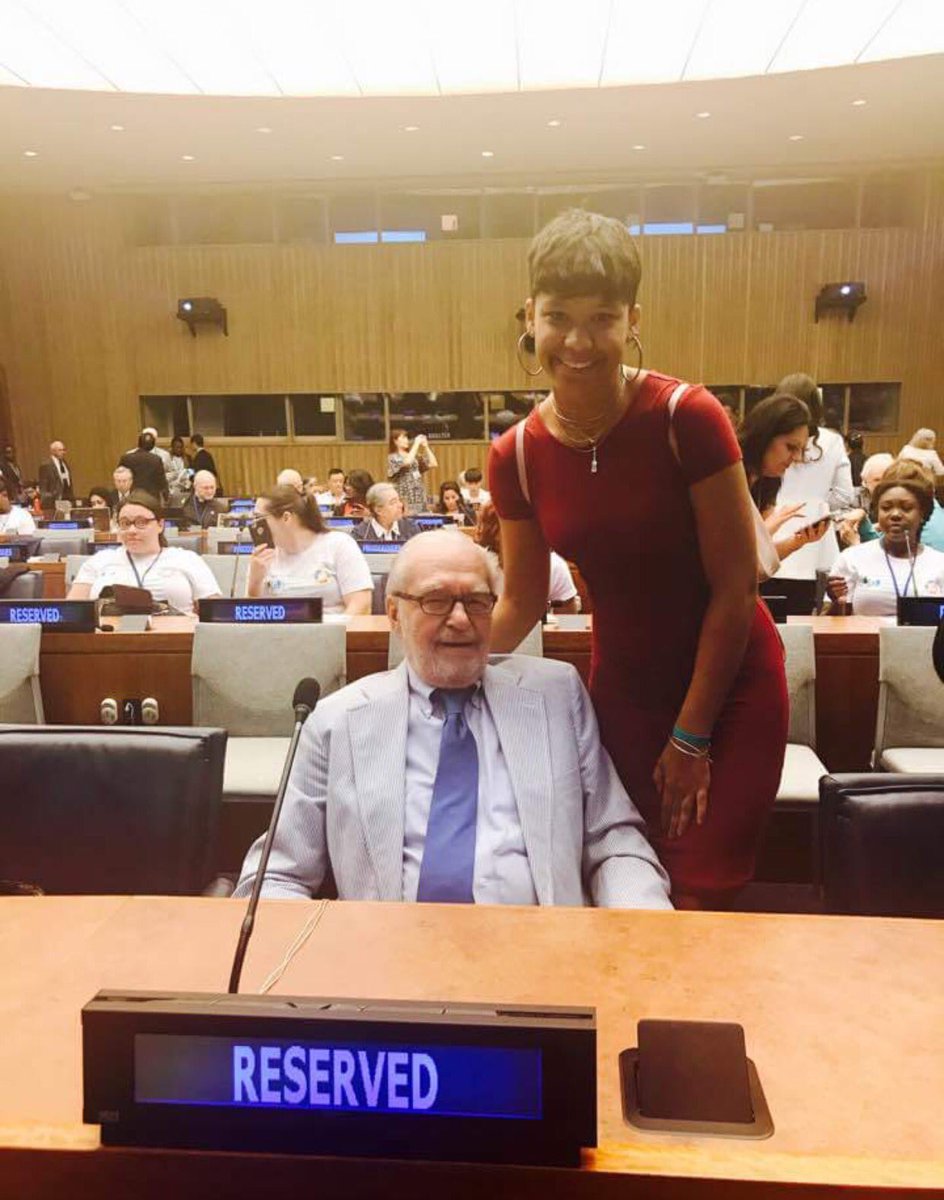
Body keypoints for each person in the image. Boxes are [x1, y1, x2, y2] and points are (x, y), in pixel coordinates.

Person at [488, 208, 787, 909]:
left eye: (603, 317)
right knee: (623, 879)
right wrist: (433, 674)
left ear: (633, 319)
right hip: (621, 694)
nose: (579, 341)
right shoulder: (518, 455)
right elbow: (523, 602)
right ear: (530, 315)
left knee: (700, 890)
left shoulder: (688, 417)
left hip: (729, 683)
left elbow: (736, 589)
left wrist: (692, 736)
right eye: (559, 315)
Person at [233, 531, 671, 907]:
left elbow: (612, 840)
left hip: (543, 962)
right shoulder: (337, 721)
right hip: (385, 976)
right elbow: (277, 877)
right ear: (394, 615)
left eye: (477, 601)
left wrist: (642, 929)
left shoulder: (555, 695)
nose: (460, 620)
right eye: (436, 600)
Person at [67, 492, 220, 614]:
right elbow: (72, 613)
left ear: (160, 525)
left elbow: (216, 613)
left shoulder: (187, 560)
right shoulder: (98, 561)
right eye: (125, 524)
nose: (132, 531)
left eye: (141, 523)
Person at [827, 461, 944, 616]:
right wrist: (837, 603)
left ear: (923, 513)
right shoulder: (851, 558)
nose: (895, 514)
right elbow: (830, 627)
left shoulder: (939, 564)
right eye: (886, 508)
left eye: (906, 508)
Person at [738, 393, 832, 578]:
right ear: (764, 436)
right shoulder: (730, 474)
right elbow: (735, 562)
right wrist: (767, 528)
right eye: (790, 447)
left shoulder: (767, 481)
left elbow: (757, 566)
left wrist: (795, 542)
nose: (796, 458)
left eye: (801, 450)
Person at [771, 373, 854, 580]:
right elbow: (845, 495)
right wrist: (818, 502)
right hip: (816, 530)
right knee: (810, 604)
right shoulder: (833, 441)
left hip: (773, 521)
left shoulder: (770, 439)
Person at [247, 484, 372, 615]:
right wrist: (255, 582)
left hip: (331, 631)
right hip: (279, 634)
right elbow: (252, 618)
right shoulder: (262, 558)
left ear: (286, 518)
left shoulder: (340, 544)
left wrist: (333, 634)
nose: (255, 526)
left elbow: (361, 605)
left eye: (259, 518)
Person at [475, 501, 579, 613]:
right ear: (493, 531)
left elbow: (567, 622)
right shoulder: (477, 566)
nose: (526, 532)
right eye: (514, 524)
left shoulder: (554, 566)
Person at [836, 452, 894, 548]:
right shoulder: (852, 498)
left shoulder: (900, 502)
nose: (883, 484)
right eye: (877, 480)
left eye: (888, 479)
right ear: (864, 481)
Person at [387, 429, 438, 513]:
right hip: (404, 499)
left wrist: (426, 446)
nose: (406, 440)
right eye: (403, 438)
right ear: (395, 441)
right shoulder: (393, 457)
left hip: (419, 497)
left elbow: (433, 463)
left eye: (407, 437)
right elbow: (407, 462)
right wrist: (416, 444)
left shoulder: (414, 457)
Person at [351, 482, 420, 543]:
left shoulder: (411, 528)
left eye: (399, 500)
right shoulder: (360, 535)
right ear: (378, 510)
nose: (400, 505)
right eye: (393, 502)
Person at [119, 433, 169, 503]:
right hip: (151, 499)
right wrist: (167, 498)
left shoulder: (126, 458)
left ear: (138, 443)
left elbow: (119, 477)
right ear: (153, 445)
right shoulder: (156, 459)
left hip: (131, 497)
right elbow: (162, 482)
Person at [38, 440, 74, 507]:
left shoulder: (64, 463)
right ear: (53, 451)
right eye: (60, 450)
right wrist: (49, 499)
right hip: (54, 501)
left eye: (64, 450)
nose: (63, 452)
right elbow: (43, 487)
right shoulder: (46, 465)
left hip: (67, 500)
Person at [166, 435, 191, 503]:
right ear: (172, 447)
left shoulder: (188, 458)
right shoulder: (167, 459)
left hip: (185, 488)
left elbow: (192, 472)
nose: (179, 449)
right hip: (172, 489)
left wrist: (187, 475)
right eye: (177, 447)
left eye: (181, 447)